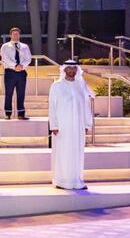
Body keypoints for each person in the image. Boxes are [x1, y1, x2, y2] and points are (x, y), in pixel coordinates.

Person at [49, 59, 94, 190]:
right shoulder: (56, 86)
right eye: (69, 68)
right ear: (64, 70)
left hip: (78, 126)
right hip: (62, 126)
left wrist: (87, 124)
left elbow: (86, 105)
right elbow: (52, 106)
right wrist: (54, 125)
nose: (72, 71)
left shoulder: (81, 85)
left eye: (74, 69)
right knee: (63, 152)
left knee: (78, 152)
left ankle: (77, 181)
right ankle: (62, 181)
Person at [0, 27, 31, 119]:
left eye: (17, 34)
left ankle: (21, 114)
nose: (15, 35)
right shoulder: (5, 46)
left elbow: (28, 59)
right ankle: (8, 113)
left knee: (21, 93)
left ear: (19, 35)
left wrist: (21, 66)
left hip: (22, 72)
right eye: (14, 34)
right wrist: (15, 66)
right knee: (9, 93)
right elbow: (5, 58)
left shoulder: (25, 46)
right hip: (10, 72)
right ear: (10, 35)